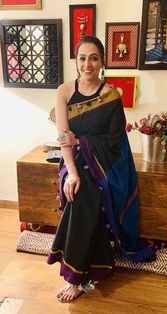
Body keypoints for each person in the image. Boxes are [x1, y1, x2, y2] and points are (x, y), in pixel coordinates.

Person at [47, 36, 156, 303]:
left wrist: (82, 141)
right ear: (76, 61)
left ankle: (77, 276)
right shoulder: (63, 91)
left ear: (102, 62)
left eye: (93, 58)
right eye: (82, 58)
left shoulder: (110, 95)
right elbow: (64, 138)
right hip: (71, 160)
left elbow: (116, 141)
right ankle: (90, 269)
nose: (88, 64)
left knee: (86, 193)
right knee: (78, 186)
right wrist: (71, 171)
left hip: (106, 163)